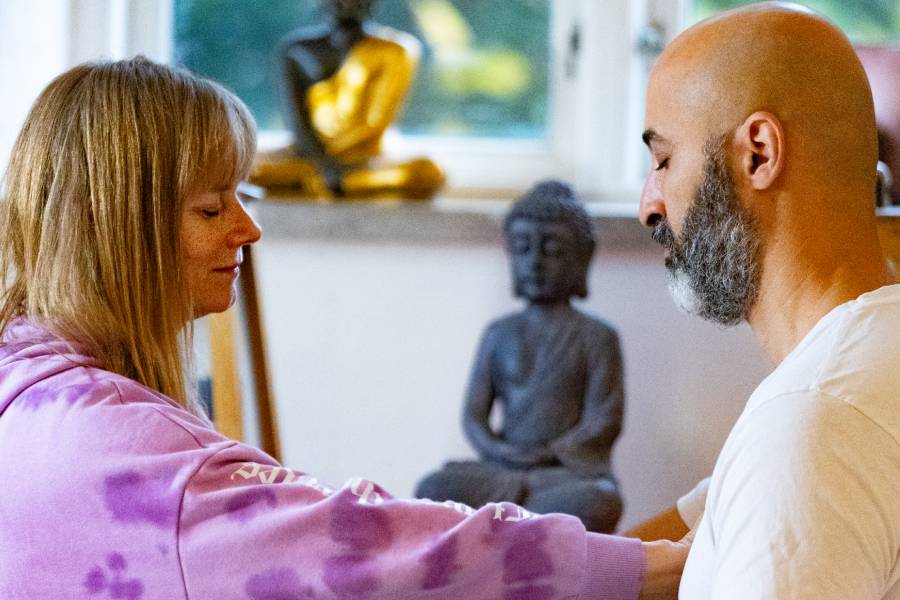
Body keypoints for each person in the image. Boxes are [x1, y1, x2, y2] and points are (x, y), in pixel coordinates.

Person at [0, 57, 688, 599]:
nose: (249, 228)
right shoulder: (132, 452)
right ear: (109, 229)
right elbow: (366, 548)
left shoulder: (26, 388)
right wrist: (662, 570)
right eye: (212, 209)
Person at [638, 3, 900, 598]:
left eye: (663, 161)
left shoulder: (817, 422)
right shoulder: (865, 366)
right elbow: (658, 552)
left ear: (758, 151)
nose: (649, 205)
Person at [416, 181, 625, 534]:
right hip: (503, 468)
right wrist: (500, 451)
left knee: (598, 500)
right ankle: (523, 514)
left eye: (552, 250)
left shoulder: (597, 337)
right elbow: (474, 416)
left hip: (562, 472)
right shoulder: (499, 333)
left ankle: (509, 515)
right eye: (522, 248)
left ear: (580, 259)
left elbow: (604, 419)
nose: (535, 263)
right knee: (433, 488)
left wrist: (550, 453)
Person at [252, 0, 444, 200]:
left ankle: (332, 184)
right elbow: (298, 128)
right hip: (311, 158)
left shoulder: (397, 50)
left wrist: (339, 167)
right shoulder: (295, 50)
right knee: (245, 171)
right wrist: (324, 164)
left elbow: (372, 126)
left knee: (428, 173)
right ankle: (342, 184)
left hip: (368, 160)